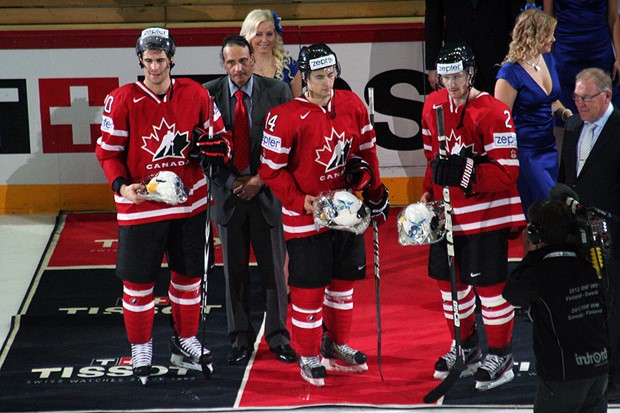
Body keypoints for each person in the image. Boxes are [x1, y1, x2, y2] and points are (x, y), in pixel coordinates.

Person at [95, 27, 231, 385]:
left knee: (189, 280)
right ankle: (141, 346)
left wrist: (218, 150)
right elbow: (108, 152)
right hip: (141, 208)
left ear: (172, 58)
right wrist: (123, 187)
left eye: (161, 59)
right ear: (140, 60)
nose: (155, 67)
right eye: (148, 60)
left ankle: (185, 339)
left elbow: (220, 139)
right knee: (138, 285)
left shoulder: (196, 93)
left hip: (190, 207)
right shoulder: (122, 99)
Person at [258, 43, 389, 387]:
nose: (327, 82)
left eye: (332, 74)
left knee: (343, 287)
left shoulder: (351, 104)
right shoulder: (283, 117)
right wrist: (301, 201)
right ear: (304, 77)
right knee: (308, 291)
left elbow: (366, 151)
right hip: (307, 219)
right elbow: (271, 171)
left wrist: (374, 191)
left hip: (347, 213)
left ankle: (335, 344)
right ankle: (308, 353)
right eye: (319, 77)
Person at [421, 43, 526, 391]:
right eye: (445, 77)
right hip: (448, 216)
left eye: (457, 76)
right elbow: (432, 158)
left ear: (471, 73)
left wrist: (467, 174)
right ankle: (465, 347)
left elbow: (508, 171)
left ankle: (501, 354)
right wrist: (428, 191)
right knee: (451, 289)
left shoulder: (494, 112)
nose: (451, 84)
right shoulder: (431, 105)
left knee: (490, 290)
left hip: (486, 217)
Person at [202, 34, 295, 366]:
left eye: (243, 61)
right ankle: (240, 338)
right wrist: (231, 182)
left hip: (267, 193)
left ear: (253, 60)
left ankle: (279, 337)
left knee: (274, 272)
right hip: (228, 196)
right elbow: (202, 153)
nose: (238, 68)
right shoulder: (208, 94)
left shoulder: (278, 91)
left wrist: (259, 180)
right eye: (231, 62)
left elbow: (287, 146)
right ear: (223, 64)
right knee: (235, 273)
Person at [503, 199, 608, 413]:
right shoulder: (587, 267)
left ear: (535, 234)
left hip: (563, 377)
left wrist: (531, 253)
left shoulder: (539, 274)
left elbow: (511, 293)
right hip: (599, 371)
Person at [557, 67, 620, 398]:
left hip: (613, 236)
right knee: (585, 301)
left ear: (606, 97)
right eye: (576, 97)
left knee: (613, 303)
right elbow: (566, 178)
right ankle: (590, 364)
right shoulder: (572, 124)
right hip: (577, 235)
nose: (579, 103)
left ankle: (615, 372)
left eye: (586, 97)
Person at [495, 8, 573, 217]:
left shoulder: (547, 60)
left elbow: (552, 101)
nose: (554, 39)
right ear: (534, 35)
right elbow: (499, 121)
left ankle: (537, 250)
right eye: (549, 35)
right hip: (527, 154)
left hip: (548, 149)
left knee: (541, 213)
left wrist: (567, 115)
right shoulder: (509, 73)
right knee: (548, 211)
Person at [424, 0, 535, 94]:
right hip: (457, 61)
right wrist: (433, 66)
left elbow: (519, 19)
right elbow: (433, 18)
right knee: (459, 114)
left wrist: (523, 58)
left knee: (497, 112)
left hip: (499, 58)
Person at [543, 0, 620, 116]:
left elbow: (613, 18)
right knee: (566, 112)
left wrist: (619, 56)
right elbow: (548, 18)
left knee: (605, 110)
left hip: (600, 52)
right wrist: (545, 60)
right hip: (566, 54)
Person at [240, 9, 302, 97]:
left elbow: (298, 107)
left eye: (269, 34)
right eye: (258, 34)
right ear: (249, 36)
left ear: (275, 35)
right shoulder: (240, 67)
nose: (264, 40)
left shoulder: (290, 67)